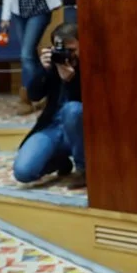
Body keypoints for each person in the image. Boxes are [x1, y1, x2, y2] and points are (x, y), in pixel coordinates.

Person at [12, 23, 85, 189]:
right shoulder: (53, 64)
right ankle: (60, 161)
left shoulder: (91, 66)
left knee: (72, 110)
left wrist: (71, 80)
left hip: (81, 131)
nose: (66, 55)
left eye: (72, 50)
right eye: (61, 49)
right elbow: (33, 95)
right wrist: (42, 70)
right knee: (23, 172)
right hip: (52, 127)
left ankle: (83, 169)